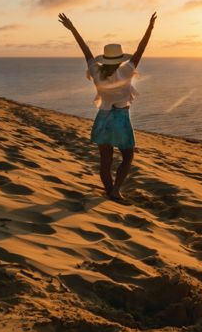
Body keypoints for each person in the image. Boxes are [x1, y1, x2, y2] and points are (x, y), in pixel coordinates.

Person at [59, 12, 157, 201]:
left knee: (105, 160)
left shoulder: (95, 71)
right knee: (127, 157)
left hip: (103, 118)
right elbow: (140, 50)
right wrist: (150, 28)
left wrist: (72, 28)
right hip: (120, 119)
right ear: (119, 60)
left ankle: (110, 190)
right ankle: (115, 190)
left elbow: (85, 49)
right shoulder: (127, 70)